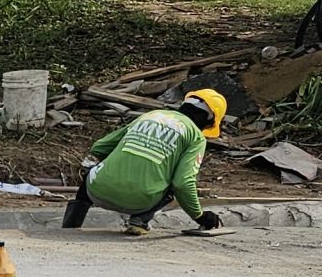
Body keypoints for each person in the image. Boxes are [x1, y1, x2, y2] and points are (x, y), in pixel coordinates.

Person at [63, 89, 227, 236]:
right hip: (139, 202)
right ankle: (139, 221)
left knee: (92, 172)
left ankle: (70, 227)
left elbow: (99, 147)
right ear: (209, 119)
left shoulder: (150, 116)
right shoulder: (196, 137)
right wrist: (200, 216)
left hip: (96, 192)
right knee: (172, 182)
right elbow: (182, 183)